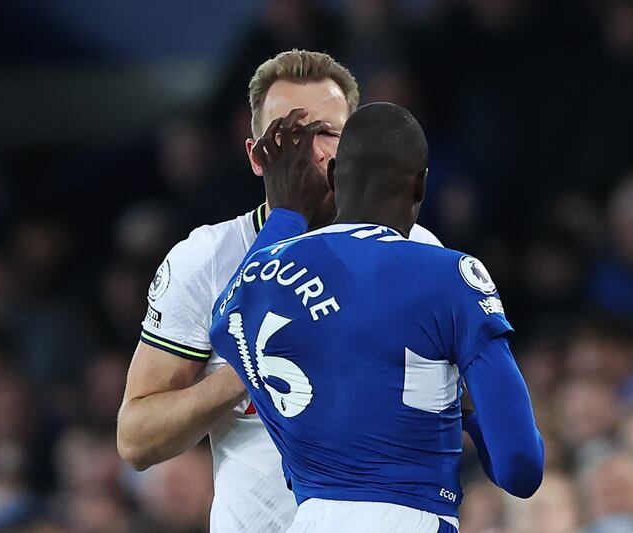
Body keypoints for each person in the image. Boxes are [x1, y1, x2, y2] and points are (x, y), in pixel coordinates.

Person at [116, 50, 442, 533]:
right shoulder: (209, 257)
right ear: (256, 156)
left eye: (328, 133)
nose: (310, 152)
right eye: (289, 135)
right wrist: (246, 369)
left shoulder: (414, 252)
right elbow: (137, 438)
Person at [209, 102, 544, 532]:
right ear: (421, 184)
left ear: (332, 177)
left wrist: (286, 214)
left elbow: (224, 325)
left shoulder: (262, 274)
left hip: (308, 519)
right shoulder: (449, 276)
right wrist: (467, 418)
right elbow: (519, 466)